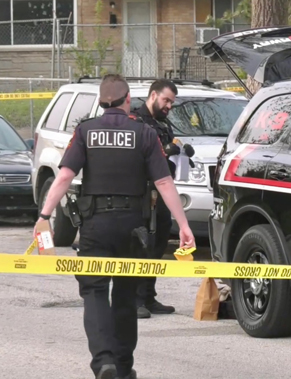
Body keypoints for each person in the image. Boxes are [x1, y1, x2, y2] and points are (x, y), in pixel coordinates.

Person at [33, 74, 195, 379]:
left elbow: (65, 176)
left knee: (94, 292)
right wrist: (183, 225)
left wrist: (44, 216)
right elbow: (163, 182)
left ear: (100, 100)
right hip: (133, 228)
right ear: (127, 99)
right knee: (125, 294)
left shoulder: (85, 131)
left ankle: (103, 362)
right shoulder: (144, 133)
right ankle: (123, 367)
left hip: (95, 225)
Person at [129, 79, 193, 319]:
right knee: (141, 243)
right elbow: (137, 156)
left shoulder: (163, 124)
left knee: (159, 241)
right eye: (166, 100)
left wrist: (181, 153)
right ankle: (134, 298)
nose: (169, 106)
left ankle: (148, 295)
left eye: (172, 103)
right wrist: (164, 151)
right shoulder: (135, 120)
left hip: (162, 191)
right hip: (141, 192)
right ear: (153, 95)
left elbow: (166, 157)